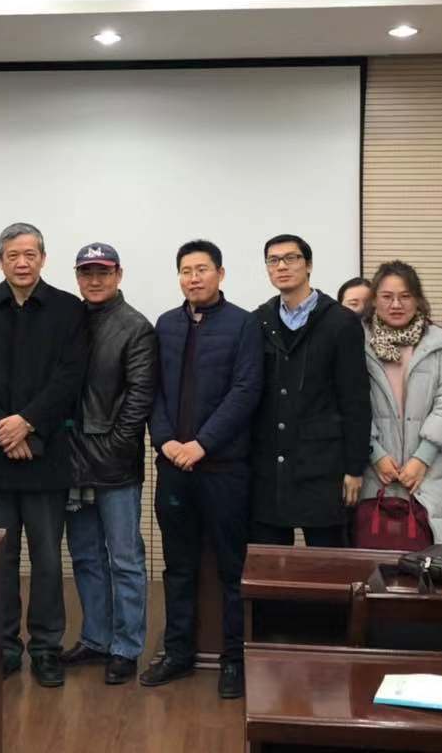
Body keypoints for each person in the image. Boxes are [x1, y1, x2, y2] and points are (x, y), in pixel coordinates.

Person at [0, 223, 88, 688]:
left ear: (43, 259)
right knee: (1, 558)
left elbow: (70, 377)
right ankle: (5, 646)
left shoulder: (69, 309)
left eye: (30, 254)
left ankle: (47, 647)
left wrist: (28, 423)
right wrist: (5, 429)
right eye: (13, 255)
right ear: (0, 261)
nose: (22, 262)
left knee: (48, 559)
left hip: (45, 454)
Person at [141, 240, 262, 701]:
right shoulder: (166, 324)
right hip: (174, 466)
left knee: (232, 569)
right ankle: (177, 653)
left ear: (220, 274)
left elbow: (246, 390)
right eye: (186, 271)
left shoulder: (243, 324)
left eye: (202, 269)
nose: (194, 278)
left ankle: (234, 660)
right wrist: (166, 440)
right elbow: (153, 391)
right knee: (178, 566)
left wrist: (203, 444)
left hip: (224, 469)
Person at [62, 243, 156, 686]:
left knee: (125, 559)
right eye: (87, 273)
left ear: (119, 274)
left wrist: (115, 446)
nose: (94, 280)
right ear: (77, 277)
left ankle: (126, 647)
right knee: (85, 556)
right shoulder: (70, 319)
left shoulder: (135, 326)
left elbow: (139, 397)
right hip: (71, 461)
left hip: (114, 464)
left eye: (103, 272)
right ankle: (96, 639)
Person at [250, 234, 371, 549]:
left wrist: (355, 467)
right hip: (270, 466)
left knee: (328, 564)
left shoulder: (341, 322)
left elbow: (356, 400)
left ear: (309, 265)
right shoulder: (259, 320)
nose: (282, 266)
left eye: (291, 258)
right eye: (273, 260)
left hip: (323, 465)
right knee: (270, 565)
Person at [360, 261, 442, 545]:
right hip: (375, 477)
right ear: (374, 300)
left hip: (431, 474)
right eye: (387, 296)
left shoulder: (437, 344)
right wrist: (375, 453)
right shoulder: (356, 343)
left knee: (434, 562)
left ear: (418, 300)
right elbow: (350, 404)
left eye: (405, 296)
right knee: (377, 562)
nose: (396, 304)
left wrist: (422, 457)